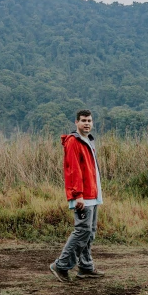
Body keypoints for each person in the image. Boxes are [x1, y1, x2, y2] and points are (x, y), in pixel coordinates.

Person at [50, 109, 105, 283]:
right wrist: (78, 194)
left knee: (90, 232)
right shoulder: (73, 141)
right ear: (76, 122)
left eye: (89, 120)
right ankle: (61, 265)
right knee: (82, 230)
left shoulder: (88, 140)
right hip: (83, 195)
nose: (87, 123)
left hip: (93, 194)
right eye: (83, 120)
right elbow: (73, 170)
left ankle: (86, 267)